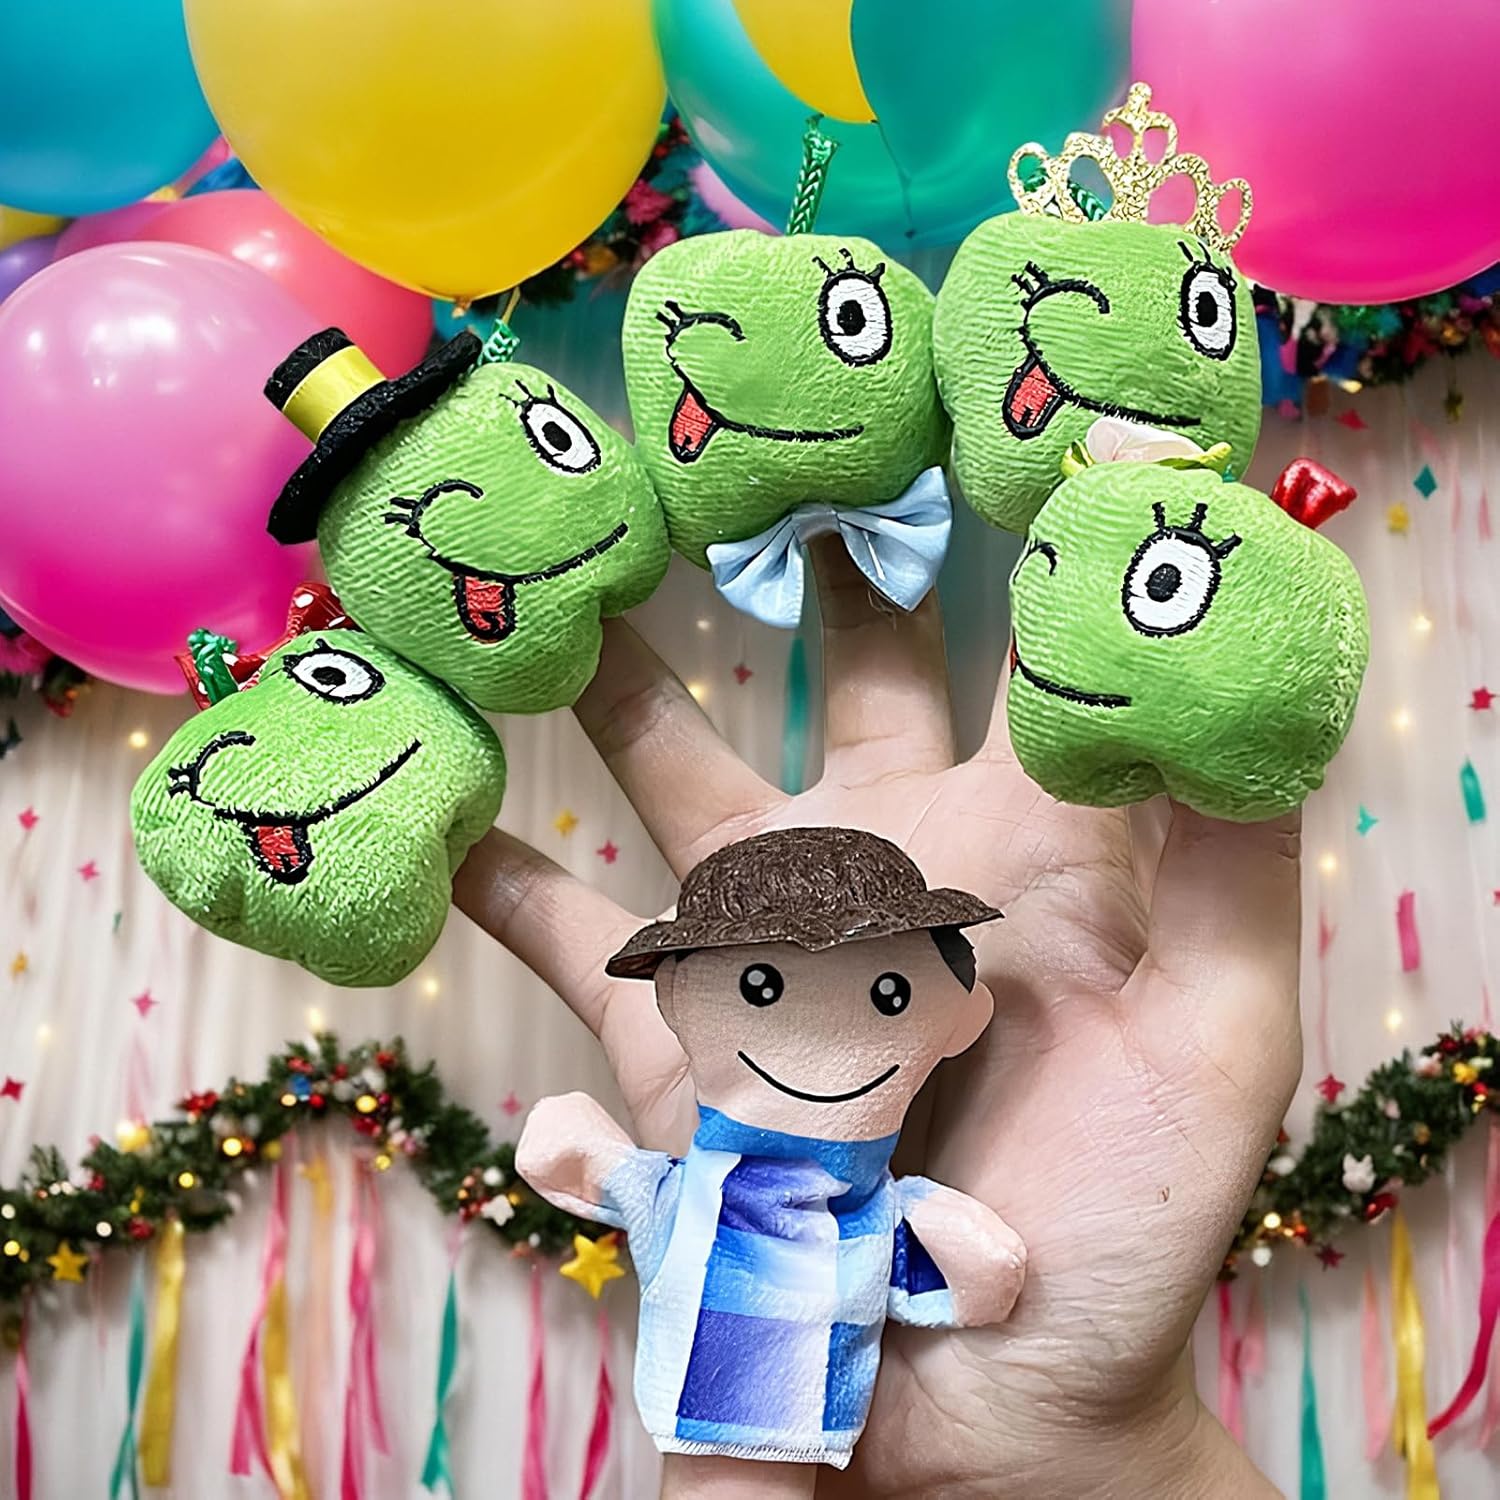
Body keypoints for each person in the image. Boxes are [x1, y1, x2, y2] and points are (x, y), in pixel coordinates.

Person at [455, 540, 1295, 1499]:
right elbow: (964, 1267)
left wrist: (1105, 1446)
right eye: (760, 987)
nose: (821, 1026)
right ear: (680, 995)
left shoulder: (826, 1212)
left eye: (890, 995)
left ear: (959, 1016)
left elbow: (959, 1263)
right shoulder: (758, 1204)